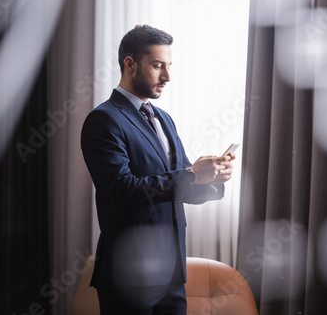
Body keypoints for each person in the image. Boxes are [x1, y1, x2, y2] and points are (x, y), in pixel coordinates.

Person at [80, 24, 235, 314]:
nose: (167, 76)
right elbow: (122, 190)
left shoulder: (163, 118)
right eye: (157, 65)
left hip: (172, 274)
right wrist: (191, 175)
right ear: (130, 64)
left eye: (169, 66)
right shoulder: (104, 120)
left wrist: (211, 178)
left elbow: (178, 186)